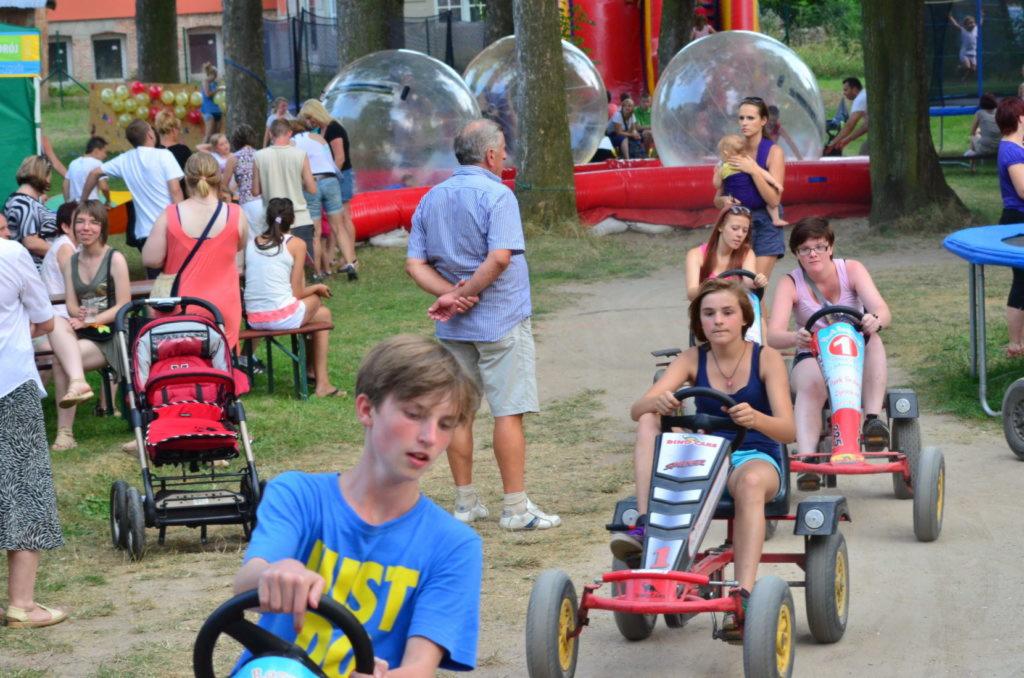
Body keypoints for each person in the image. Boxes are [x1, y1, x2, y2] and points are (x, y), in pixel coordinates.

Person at [232, 334, 483, 677]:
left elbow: (419, 668)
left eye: (445, 424)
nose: (429, 437)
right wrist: (275, 573)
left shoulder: (454, 545)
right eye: (414, 414)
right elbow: (246, 584)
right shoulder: (297, 495)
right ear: (367, 409)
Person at [406, 118, 561, 531]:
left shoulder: (431, 198)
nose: (505, 155)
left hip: (455, 329)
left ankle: (465, 501)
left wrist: (450, 295)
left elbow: (414, 263)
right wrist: (466, 292)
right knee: (508, 412)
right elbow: (500, 258)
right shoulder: (498, 195)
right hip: (501, 320)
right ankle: (515, 508)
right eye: (503, 148)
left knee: (459, 414)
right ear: (491, 154)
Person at [611, 279, 794, 616]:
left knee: (750, 483)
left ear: (744, 319)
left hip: (754, 457)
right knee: (650, 419)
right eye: (709, 314)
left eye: (727, 312)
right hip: (703, 458)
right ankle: (644, 522)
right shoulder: (692, 358)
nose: (718, 321)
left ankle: (744, 595)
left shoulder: (767, 359)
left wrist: (755, 418)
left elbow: (788, 430)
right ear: (700, 323)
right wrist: (660, 401)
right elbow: (637, 409)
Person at [767, 217, 891, 489]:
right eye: (805, 249)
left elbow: (882, 311)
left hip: (853, 352)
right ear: (797, 254)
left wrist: (874, 320)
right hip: (812, 354)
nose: (813, 254)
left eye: (819, 247)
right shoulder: (791, 283)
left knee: (874, 341)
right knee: (811, 384)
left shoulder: (853, 270)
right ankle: (808, 459)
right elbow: (773, 335)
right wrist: (794, 336)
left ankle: (871, 420)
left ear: (831, 247)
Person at [0, 234, 68, 629]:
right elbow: (45, 318)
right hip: (9, 382)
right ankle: (22, 603)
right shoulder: (11, 254)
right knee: (25, 487)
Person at [143, 152, 248, 353]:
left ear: (186, 179)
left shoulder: (171, 214)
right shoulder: (236, 214)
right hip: (223, 309)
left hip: (180, 308)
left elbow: (151, 259)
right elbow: (239, 246)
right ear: (217, 178)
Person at [245, 198, 341, 398]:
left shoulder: (252, 242)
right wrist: (318, 287)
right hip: (280, 317)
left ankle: (315, 376)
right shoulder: (296, 243)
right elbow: (297, 292)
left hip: (254, 318)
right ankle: (320, 382)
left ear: (268, 218)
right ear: (293, 220)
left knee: (323, 315)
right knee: (316, 300)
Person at [80, 119, 185, 271]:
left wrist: (83, 201)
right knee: (176, 276)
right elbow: (175, 190)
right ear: (150, 134)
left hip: (145, 232)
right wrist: (181, 222)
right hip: (169, 227)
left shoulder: (125, 159)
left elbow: (94, 172)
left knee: (154, 280)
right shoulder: (164, 155)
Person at [62, 200, 132, 420]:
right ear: (72, 227)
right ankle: (68, 425)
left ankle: (65, 431)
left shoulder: (115, 259)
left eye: (93, 222)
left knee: (61, 359)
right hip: (86, 330)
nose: (85, 227)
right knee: (60, 348)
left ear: (103, 227)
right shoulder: (71, 261)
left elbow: (123, 304)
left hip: (113, 333)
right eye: (80, 222)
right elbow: (71, 303)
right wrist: (80, 314)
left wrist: (89, 320)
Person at [713, 97, 786, 279]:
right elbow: (717, 199)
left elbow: (774, 200)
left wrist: (753, 171)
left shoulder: (773, 152)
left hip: (765, 221)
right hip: (738, 222)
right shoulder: (733, 148)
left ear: (763, 121)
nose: (744, 123)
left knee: (754, 286)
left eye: (750, 118)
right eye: (741, 118)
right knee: (739, 289)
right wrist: (723, 201)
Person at [298, 99, 359, 280]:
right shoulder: (320, 131)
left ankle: (351, 259)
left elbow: (339, 159)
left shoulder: (334, 129)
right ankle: (335, 257)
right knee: (335, 223)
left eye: (310, 117)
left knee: (343, 219)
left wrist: (331, 177)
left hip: (340, 175)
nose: (310, 122)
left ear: (316, 113)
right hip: (332, 178)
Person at [253, 118, 318, 263]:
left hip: (272, 218)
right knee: (302, 265)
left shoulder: (259, 156)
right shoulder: (300, 154)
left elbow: (255, 191)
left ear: (270, 134)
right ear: (290, 133)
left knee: (276, 264)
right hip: (299, 217)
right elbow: (312, 189)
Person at [290, 119, 341, 279]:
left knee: (316, 234)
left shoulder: (293, 142)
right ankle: (348, 262)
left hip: (312, 184)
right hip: (331, 180)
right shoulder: (319, 138)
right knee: (337, 228)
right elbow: (331, 161)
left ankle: (318, 272)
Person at [994, 96, 1024, 356]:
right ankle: (1015, 344)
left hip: (1016, 219)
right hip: (1017, 221)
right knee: (1021, 283)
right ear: (1020, 119)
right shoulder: (1012, 151)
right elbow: (1023, 190)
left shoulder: (1014, 147)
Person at [715, 134, 786, 227]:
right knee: (770, 206)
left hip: (743, 204)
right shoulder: (744, 160)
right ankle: (776, 219)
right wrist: (775, 182)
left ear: (725, 153)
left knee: (770, 204)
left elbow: (716, 184)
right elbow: (762, 172)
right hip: (742, 204)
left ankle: (776, 219)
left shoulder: (725, 166)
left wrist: (716, 174)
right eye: (742, 118)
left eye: (750, 118)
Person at [5, 154, 59, 269]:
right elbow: (31, 242)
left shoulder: (19, 201)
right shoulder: (24, 204)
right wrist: (63, 253)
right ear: (43, 174)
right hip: (37, 271)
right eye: (49, 174)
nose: (50, 179)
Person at [223, 124, 263, 239]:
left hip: (247, 203)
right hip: (265, 201)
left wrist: (232, 194)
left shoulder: (233, 158)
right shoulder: (261, 154)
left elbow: (223, 185)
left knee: (251, 240)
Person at [63, 137, 110, 204]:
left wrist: (67, 203)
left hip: (73, 204)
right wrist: (108, 201)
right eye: (105, 152)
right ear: (96, 151)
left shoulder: (73, 163)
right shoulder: (98, 164)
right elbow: (104, 187)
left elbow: (65, 186)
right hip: (90, 204)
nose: (106, 156)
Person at [825, 84, 868, 156]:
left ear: (854, 89)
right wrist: (847, 139)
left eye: (846, 90)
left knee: (866, 150)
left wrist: (833, 143)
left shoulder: (860, 99)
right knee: (865, 149)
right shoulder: (865, 96)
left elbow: (850, 125)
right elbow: (867, 125)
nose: (844, 93)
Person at [967, 93, 1000, 158]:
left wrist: (978, 131)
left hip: (985, 149)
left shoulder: (979, 113)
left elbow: (972, 132)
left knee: (974, 136)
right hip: (1000, 148)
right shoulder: (1000, 112)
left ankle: (971, 163)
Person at [200, 62, 223, 139]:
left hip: (217, 111)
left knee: (216, 138)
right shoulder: (205, 82)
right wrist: (218, 90)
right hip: (208, 111)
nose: (215, 78)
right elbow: (207, 94)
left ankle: (214, 151)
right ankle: (202, 150)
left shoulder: (215, 83)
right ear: (211, 74)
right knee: (208, 136)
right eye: (214, 75)